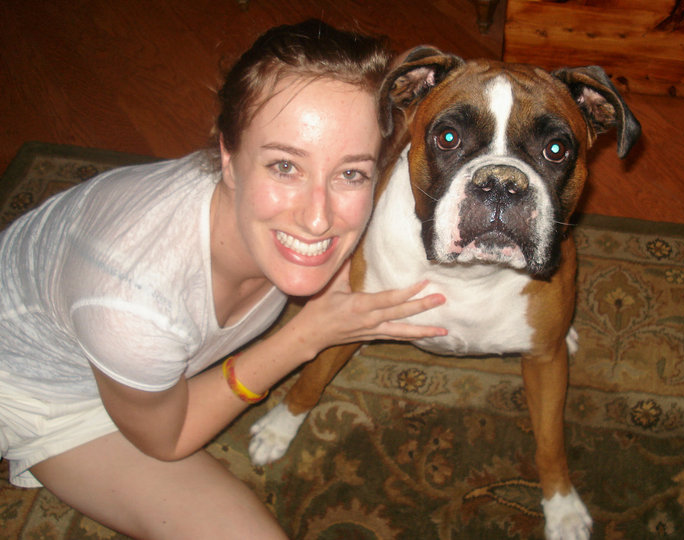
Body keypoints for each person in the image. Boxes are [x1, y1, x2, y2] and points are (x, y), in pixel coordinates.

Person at [0, 19, 446, 539]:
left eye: (351, 173)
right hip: (35, 390)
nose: (318, 218)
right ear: (228, 160)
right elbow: (166, 440)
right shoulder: (131, 302)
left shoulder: (262, 213)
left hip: (125, 357)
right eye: (285, 166)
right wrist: (307, 335)